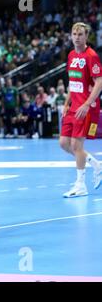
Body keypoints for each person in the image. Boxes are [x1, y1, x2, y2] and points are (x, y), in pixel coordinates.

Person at [60, 22, 102, 197]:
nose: (77, 37)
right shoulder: (70, 55)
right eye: (74, 34)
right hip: (73, 105)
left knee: (77, 145)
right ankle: (96, 164)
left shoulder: (91, 56)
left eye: (80, 34)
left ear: (86, 36)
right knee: (64, 143)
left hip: (87, 107)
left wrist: (86, 104)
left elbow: (99, 82)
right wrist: (67, 102)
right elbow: (73, 82)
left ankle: (80, 185)